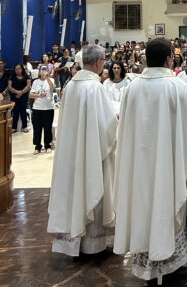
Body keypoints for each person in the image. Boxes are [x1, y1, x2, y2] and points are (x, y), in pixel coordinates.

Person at [113, 38, 187, 284]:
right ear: (168, 59)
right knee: (167, 205)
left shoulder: (132, 88)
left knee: (144, 208)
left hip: (139, 167)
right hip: (168, 165)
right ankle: (170, 268)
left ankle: (150, 266)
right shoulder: (177, 86)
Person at [47, 44, 118, 258]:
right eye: (104, 61)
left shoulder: (71, 85)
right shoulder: (94, 87)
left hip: (72, 150)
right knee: (90, 185)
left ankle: (74, 244)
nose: (104, 64)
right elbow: (106, 125)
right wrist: (116, 120)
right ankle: (92, 247)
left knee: (74, 190)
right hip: (90, 151)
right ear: (98, 62)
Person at [30, 67, 56, 154]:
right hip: (37, 107)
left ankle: (47, 145)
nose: (43, 72)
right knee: (37, 128)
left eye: (45, 70)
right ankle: (37, 146)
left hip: (48, 107)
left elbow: (52, 87)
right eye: (42, 70)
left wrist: (47, 77)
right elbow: (30, 95)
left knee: (47, 127)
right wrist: (39, 96)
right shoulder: (35, 82)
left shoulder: (51, 80)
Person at [8, 64, 32, 133]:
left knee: (23, 110)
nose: (17, 70)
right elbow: (9, 87)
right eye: (16, 69)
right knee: (15, 111)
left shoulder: (26, 76)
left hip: (24, 95)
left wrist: (21, 93)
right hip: (14, 96)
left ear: (22, 69)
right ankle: (14, 127)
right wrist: (17, 92)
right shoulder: (12, 77)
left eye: (19, 69)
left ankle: (24, 126)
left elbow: (28, 86)